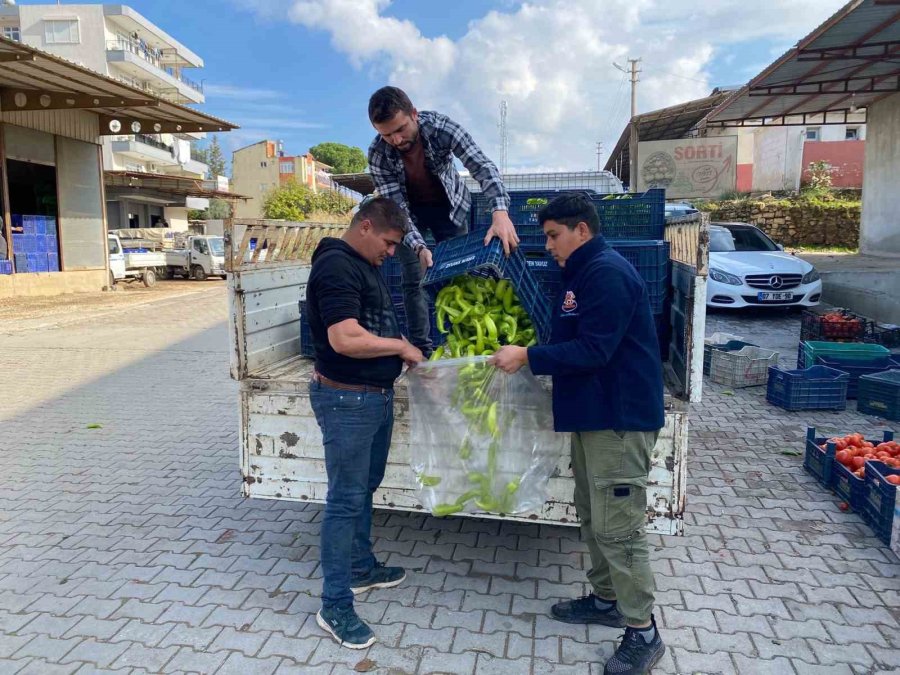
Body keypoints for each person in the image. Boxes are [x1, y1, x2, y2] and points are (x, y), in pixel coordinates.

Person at [490, 193, 666, 675]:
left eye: (553, 235)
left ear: (581, 230)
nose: (547, 245)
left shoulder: (606, 273)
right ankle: (608, 601)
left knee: (619, 527)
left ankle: (643, 631)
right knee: (592, 514)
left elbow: (595, 350)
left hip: (619, 418)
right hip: (594, 415)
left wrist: (527, 356)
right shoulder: (582, 272)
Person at [306, 196, 425, 649]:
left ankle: (360, 567)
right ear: (367, 227)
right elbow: (345, 338)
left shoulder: (360, 262)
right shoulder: (337, 266)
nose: (392, 252)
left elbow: (368, 324)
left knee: (364, 489)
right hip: (347, 401)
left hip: (371, 397)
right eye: (390, 243)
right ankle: (335, 604)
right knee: (344, 500)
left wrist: (400, 346)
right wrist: (398, 348)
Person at [367, 86, 519, 354]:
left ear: (414, 114)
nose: (397, 139)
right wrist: (419, 247)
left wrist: (500, 211)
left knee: (458, 273)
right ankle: (421, 349)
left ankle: (467, 340)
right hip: (408, 216)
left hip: (449, 209)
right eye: (387, 134)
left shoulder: (441, 128)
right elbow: (398, 208)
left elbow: (481, 166)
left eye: (401, 129)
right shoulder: (378, 154)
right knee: (414, 278)